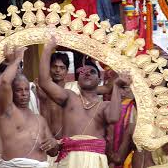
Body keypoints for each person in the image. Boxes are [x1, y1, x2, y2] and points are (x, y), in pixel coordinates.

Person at [38, 38, 128, 168]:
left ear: (99, 80)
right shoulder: (69, 97)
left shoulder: (104, 106)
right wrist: (47, 49)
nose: (87, 73)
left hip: (94, 161)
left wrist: (117, 87)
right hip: (69, 160)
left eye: (92, 72)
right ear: (78, 80)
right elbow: (44, 82)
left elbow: (113, 117)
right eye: (82, 72)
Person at [0, 46, 59, 168]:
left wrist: (53, 144)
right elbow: (5, 83)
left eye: (26, 90)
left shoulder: (39, 119)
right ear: (12, 92)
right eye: (19, 90)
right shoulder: (7, 111)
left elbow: (53, 152)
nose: (24, 93)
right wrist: (16, 60)